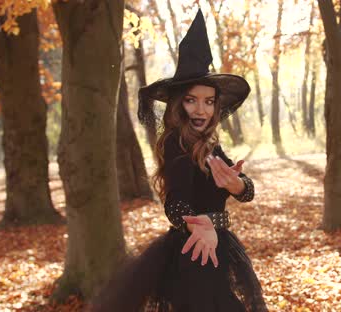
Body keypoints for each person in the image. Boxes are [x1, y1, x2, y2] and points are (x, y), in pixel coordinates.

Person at [89, 9, 267, 312]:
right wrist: (202, 226)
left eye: (209, 101)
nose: (201, 110)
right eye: (191, 99)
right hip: (194, 252)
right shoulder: (176, 144)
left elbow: (248, 191)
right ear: (177, 103)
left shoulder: (210, 146)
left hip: (218, 248)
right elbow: (175, 204)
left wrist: (237, 184)